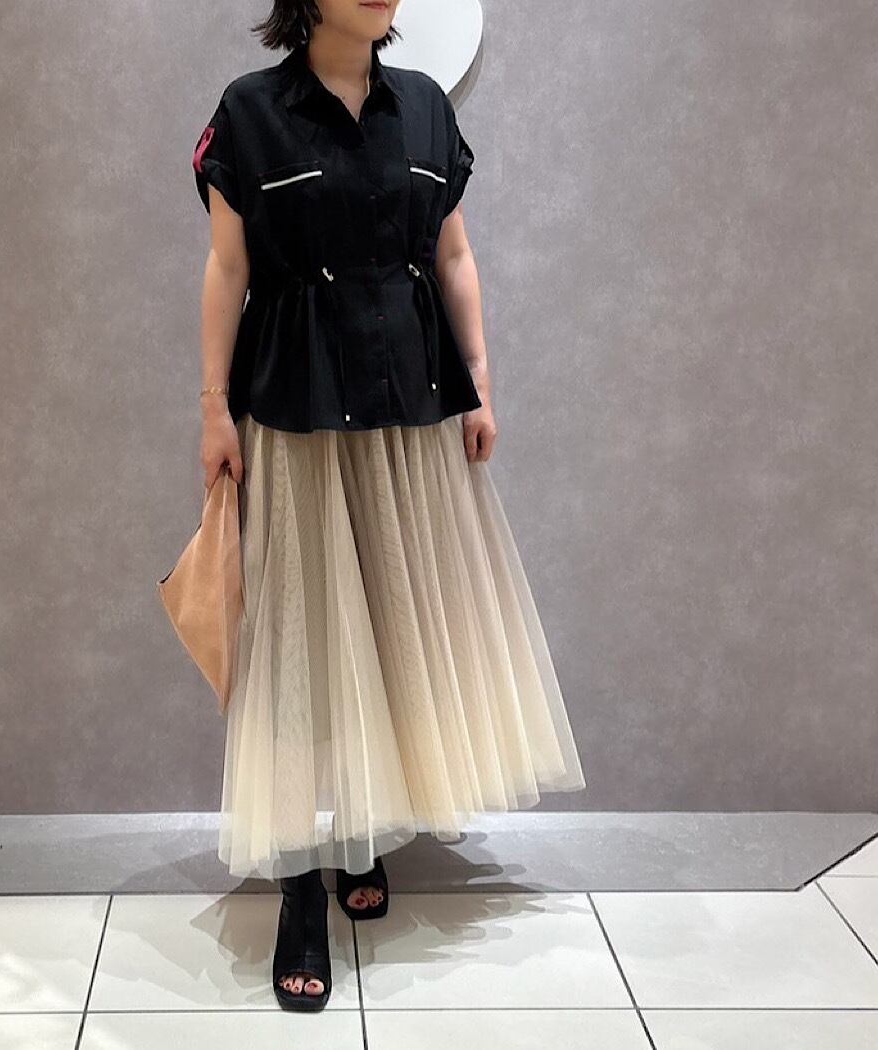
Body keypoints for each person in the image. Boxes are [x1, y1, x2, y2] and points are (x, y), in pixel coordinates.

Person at [191, 0, 586, 1013]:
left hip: (409, 399)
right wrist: (212, 409)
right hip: (294, 407)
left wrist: (482, 383)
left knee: (396, 625)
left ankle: (365, 830)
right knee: (301, 645)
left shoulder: (424, 108)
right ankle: (299, 885)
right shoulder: (250, 111)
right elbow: (229, 266)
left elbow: (452, 255)